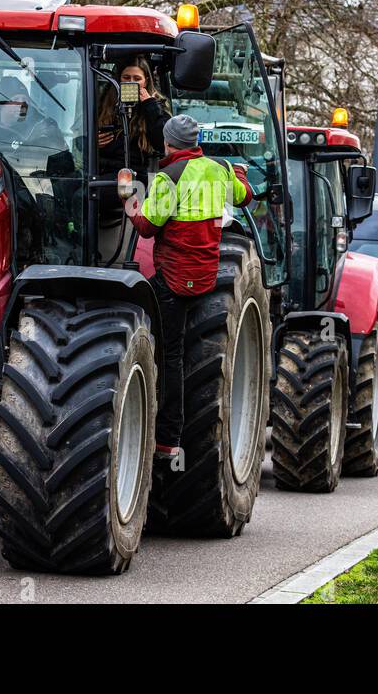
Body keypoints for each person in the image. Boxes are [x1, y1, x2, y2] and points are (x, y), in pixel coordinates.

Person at [124, 114, 252, 458]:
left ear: (168, 143)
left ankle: (167, 438)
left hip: (173, 279)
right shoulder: (217, 169)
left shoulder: (169, 177)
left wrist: (128, 196)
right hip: (207, 277)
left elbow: (147, 227)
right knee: (189, 353)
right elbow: (244, 195)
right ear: (195, 143)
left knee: (170, 355)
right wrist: (238, 173)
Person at [96, 58, 171, 264]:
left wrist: (149, 105)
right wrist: (93, 142)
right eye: (126, 78)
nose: (131, 82)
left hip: (135, 178)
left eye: (136, 78)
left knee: (89, 194)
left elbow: (163, 141)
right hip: (103, 172)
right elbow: (79, 139)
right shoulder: (105, 104)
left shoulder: (156, 107)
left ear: (146, 81)